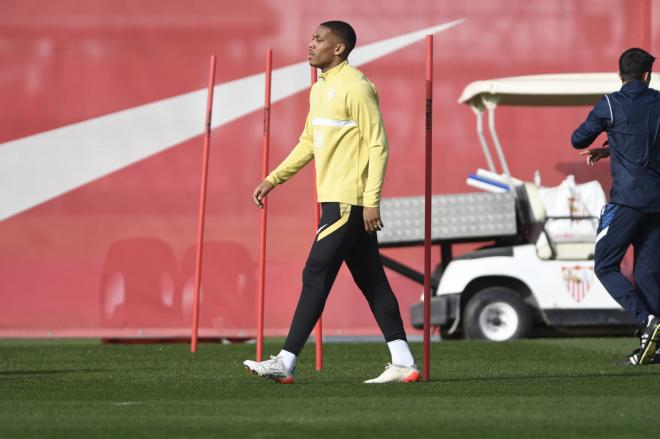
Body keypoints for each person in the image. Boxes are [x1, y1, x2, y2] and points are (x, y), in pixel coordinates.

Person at [243, 21, 419, 383]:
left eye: (318, 40)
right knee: (372, 281)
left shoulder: (356, 86)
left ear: (338, 49)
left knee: (315, 273)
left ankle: (286, 362)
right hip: (336, 201)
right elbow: (309, 142)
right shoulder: (320, 89)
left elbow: (378, 144)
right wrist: (272, 179)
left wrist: (371, 201)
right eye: (311, 38)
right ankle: (403, 362)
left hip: (348, 203)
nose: (310, 45)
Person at [571, 47, 660, 365]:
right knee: (648, 273)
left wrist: (604, 142)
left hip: (627, 200)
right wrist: (611, 149)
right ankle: (657, 348)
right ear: (648, 75)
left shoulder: (610, 103)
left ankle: (646, 321)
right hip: (656, 203)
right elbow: (642, 141)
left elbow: (578, 139)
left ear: (621, 74)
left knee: (605, 265)